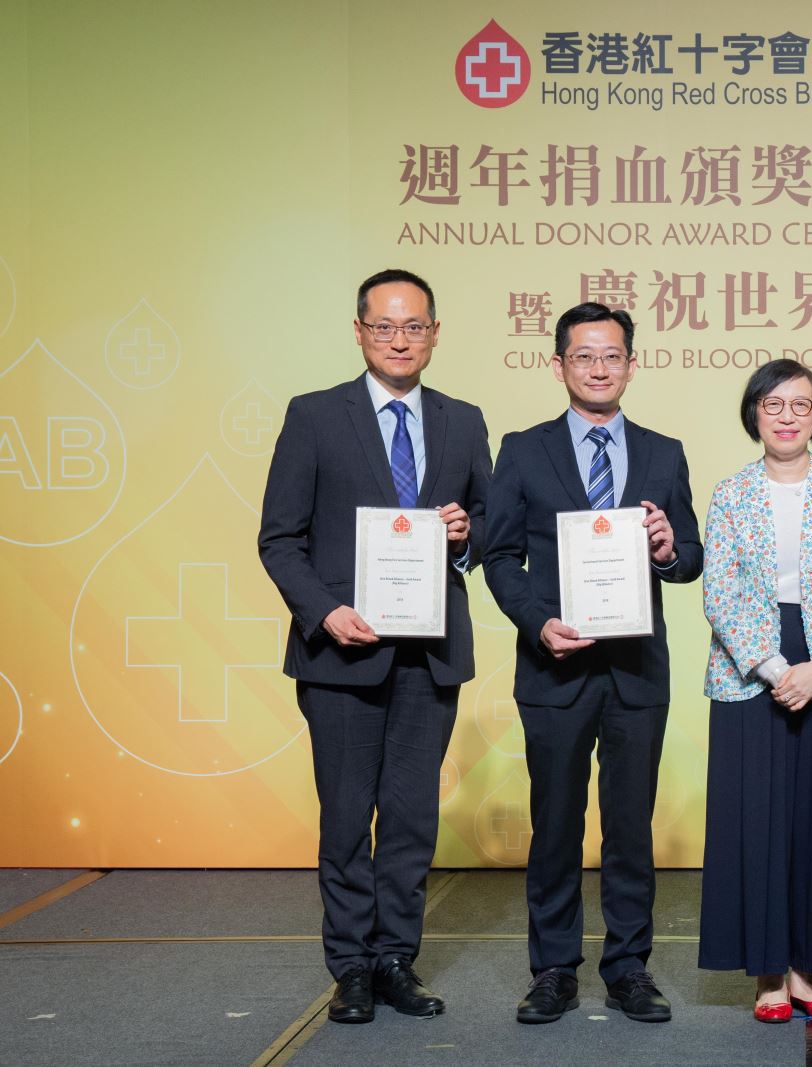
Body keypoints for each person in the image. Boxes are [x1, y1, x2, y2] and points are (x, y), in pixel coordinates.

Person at [258, 268, 492, 1023]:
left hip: (430, 656)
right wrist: (325, 612)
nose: (400, 339)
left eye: (415, 325)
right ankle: (350, 965)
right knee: (346, 816)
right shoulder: (316, 416)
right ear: (358, 331)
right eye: (385, 325)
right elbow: (280, 538)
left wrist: (465, 536)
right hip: (343, 657)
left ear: (435, 332)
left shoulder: (462, 420)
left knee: (412, 816)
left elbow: (489, 529)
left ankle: (396, 959)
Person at [482, 302, 702, 1025]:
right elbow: (498, 554)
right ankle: (552, 968)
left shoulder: (664, 451)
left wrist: (669, 549)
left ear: (632, 365)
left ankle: (629, 965)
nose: (599, 368)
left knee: (631, 825)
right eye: (584, 356)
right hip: (554, 667)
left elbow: (690, 557)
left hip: (636, 668)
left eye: (612, 356)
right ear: (559, 365)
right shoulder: (522, 448)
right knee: (555, 823)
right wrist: (537, 621)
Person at [698, 359, 812, 1023]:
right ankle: (768, 974)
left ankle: (809, 970)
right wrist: (776, 666)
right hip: (753, 668)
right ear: (755, 413)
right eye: (773, 404)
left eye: (799, 405)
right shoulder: (729, 493)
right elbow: (719, 590)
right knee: (758, 822)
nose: (785, 416)